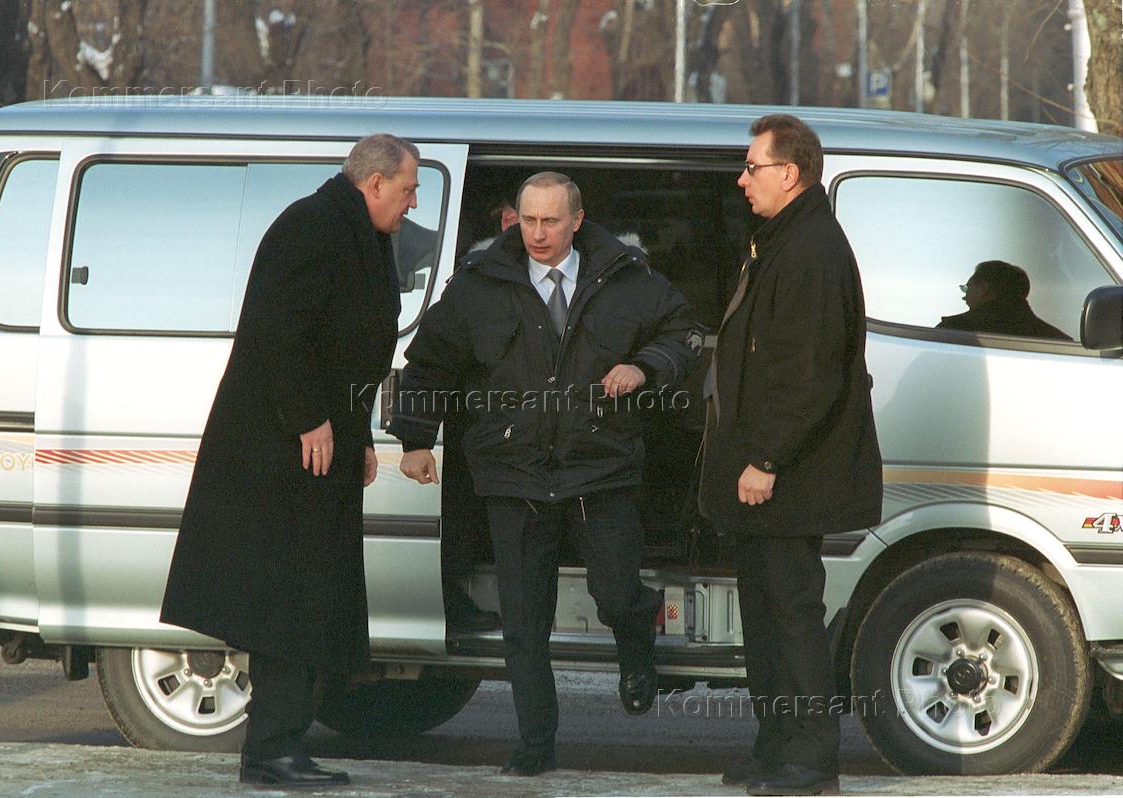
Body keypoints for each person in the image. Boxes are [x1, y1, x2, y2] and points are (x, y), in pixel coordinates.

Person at [388, 172, 697, 777]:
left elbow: (683, 333)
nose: (537, 233)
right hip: (514, 473)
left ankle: (636, 646)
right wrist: (417, 440)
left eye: (551, 221)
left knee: (617, 593)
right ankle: (535, 744)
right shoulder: (482, 282)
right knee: (524, 624)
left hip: (600, 466)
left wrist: (644, 366)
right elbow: (429, 360)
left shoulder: (625, 277)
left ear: (577, 220)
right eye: (528, 220)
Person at [159, 134, 420, 789]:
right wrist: (309, 418)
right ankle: (270, 748)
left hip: (319, 451)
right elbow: (277, 332)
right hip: (279, 454)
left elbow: (349, 346)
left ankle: (281, 743)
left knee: (313, 599)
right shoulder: (312, 226)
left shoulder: (358, 233)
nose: (412, 203)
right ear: (375, 183)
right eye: (408, 189)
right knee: (290, 601)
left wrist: (358, 437)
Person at [699, 115, 882, 796]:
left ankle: (810, 758)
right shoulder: (781, 241)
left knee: (791, 617)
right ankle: (776, 747)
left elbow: (808, 373)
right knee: (766, 617)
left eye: (752, 167)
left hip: (788, 477)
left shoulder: (810, 249)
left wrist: (767, 459)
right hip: (767, 475)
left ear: (790, 173)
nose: (741, 180)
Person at [936, 259, 1072, 340]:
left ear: (984, 288)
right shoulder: (1059, 341)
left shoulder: (954, 329)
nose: (964, 296)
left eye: (967, 288)